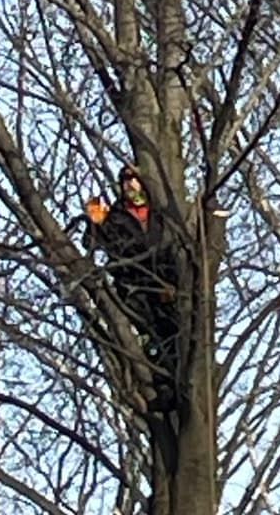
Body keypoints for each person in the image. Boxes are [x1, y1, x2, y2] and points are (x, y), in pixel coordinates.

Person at [85, 164, 180, 391]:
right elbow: (90, 242)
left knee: (173, 335)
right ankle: (155, 383)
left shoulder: (161, 215)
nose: (129, 184)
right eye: (125, 180)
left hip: (165, 285)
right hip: (132, 287)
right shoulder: (114, 217)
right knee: (147, 335)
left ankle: (174, 382)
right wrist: (95, 220)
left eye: (133, 179)